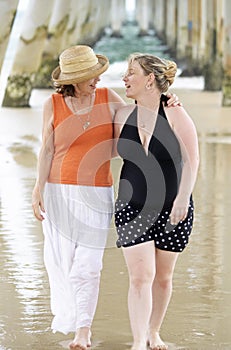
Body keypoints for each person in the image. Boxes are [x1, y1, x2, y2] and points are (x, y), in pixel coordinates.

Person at [32, 45, 180, 350]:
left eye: (97, 74)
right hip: (58, 191)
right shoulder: (53, 103)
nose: (96, 80)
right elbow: (47, 149)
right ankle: (72, 319)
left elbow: (140, 109)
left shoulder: (107, 97)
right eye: (89, 77)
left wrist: (166, 99)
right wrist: (38, 188)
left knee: (88, 264)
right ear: (73, 79)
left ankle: (82, 332)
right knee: (60, 262)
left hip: (97, 193)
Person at [114, 53, 199, 350]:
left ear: (150, 78)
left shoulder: (175, 113)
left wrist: (182, 200)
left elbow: (192, 161)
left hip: (172, 208)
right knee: (141, 276)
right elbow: (91, 102)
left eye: (131, 72)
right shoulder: (122, 114)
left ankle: (153, 332)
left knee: (162, 278)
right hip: (131, 207)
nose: (124, 78)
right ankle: (138, 342)